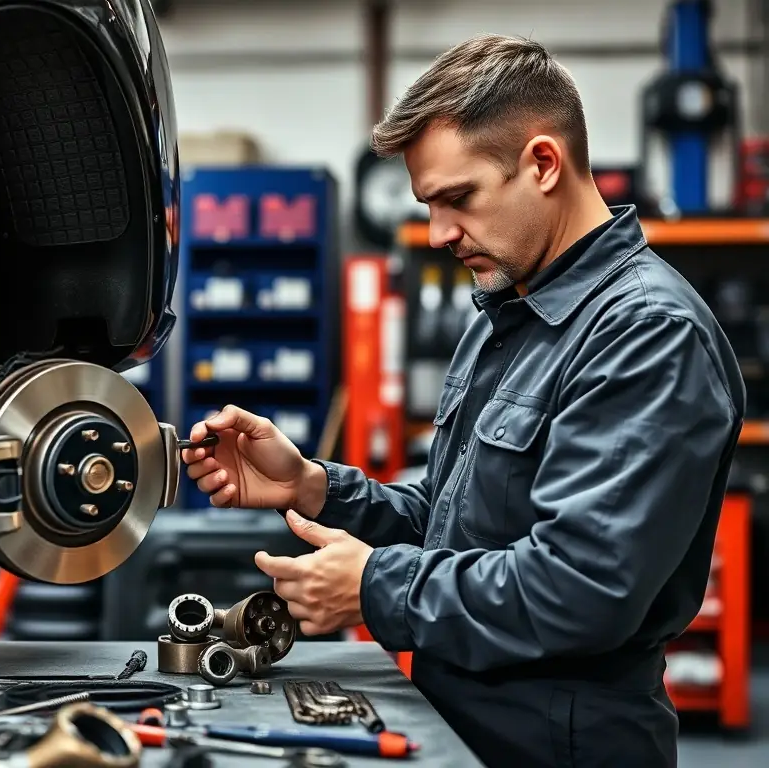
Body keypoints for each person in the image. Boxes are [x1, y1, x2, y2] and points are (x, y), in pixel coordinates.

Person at [180, 33, 746, 768]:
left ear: (544, 163)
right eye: (428, 204)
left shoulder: (647, 334)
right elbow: (456, 527)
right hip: (460, 722)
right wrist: (316, 487)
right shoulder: (508, 311)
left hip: (563, 741)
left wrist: (372, 586)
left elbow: (582, 589)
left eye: (458, 199)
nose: (439, 232)